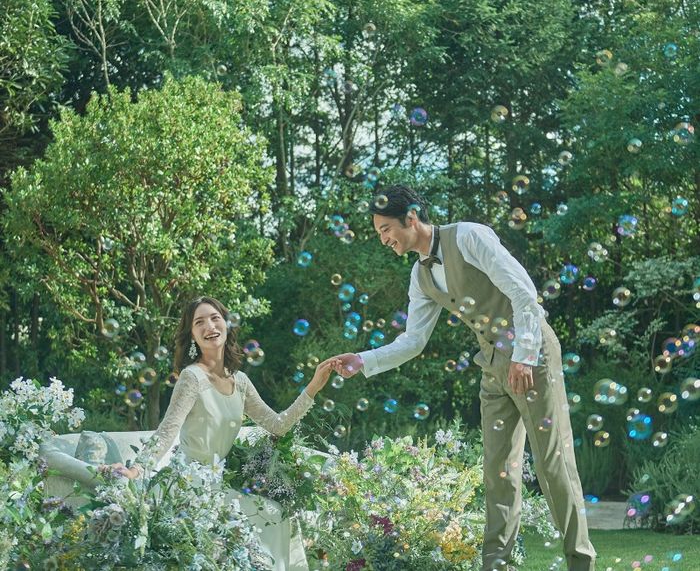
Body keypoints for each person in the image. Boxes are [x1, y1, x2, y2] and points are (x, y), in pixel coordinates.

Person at [330, 185, 596, 571]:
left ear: (411, 218)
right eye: (379, 233)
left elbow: (523, 291)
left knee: (552, 462)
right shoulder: (419, 276)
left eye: (386, 229)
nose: (384, 239)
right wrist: (363, 359)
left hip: (531, 354)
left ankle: (581, 563)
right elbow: (413, 341)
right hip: (491, 365)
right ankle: (497, 566)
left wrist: (523, 356)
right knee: (498, 471)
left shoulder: (468, 236)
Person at [106, 296, 339, 571]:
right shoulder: (191, 377)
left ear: (226, 325)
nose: (210, 326)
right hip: (187, 486)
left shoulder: (240, 381)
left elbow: (278, 425)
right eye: (199, 322)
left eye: (215, 318)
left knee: (275, 514)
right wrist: (135, 470)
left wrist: (313, 386)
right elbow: (167, 431)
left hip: (217, 485)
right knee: (263, 519)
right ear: (192, 336)